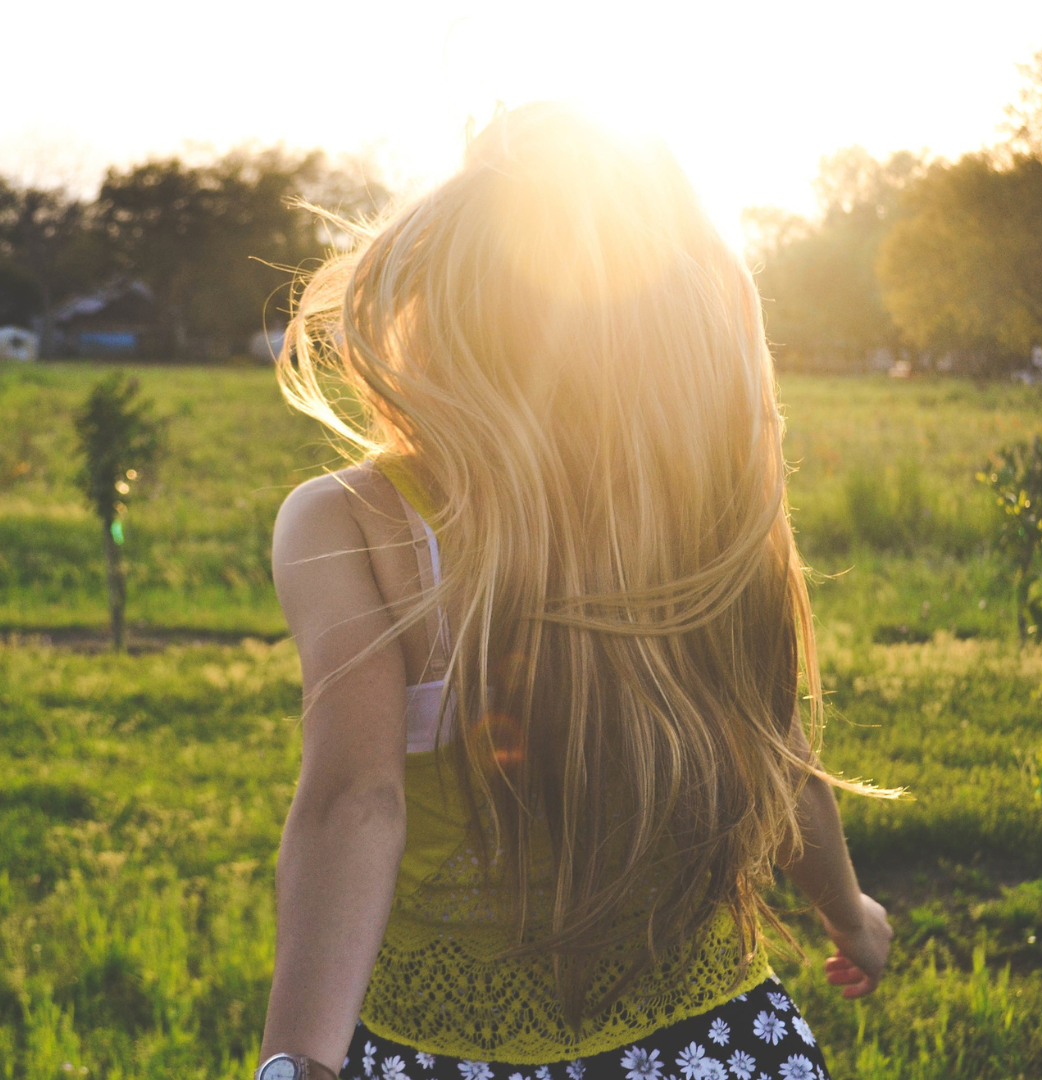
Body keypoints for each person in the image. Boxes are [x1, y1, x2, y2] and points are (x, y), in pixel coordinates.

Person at [256, 103, 893, 1080]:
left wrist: (297, 1057)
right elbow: (776, 749)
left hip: (449, 1051)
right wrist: (852, 915)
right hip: (712, 1042)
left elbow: (357, 801)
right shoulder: (703, 513)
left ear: (439, 299)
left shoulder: (354, 520)